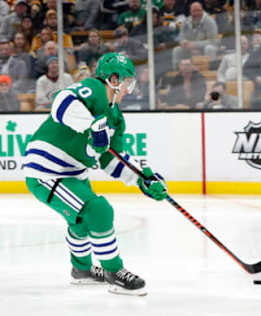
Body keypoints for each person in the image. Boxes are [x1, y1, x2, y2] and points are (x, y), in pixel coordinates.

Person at [23, 52, 168, 296]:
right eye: (127, 82)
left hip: (73, 173)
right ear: (113, 79)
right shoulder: (94, 88)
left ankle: (82, 270)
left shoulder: (116, 119)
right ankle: (114, 271)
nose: (129, 90)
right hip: (46, 172)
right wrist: (91, 125)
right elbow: (61, 101)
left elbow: (111, 159)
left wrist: (142, 180)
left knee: (79, 220)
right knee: (99, 210)